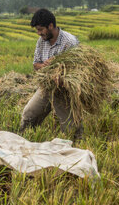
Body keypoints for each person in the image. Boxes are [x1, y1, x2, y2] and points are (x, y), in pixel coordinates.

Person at [19, 8, 81, 138]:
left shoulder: (69, 42)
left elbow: (78, 70)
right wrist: (44, 66)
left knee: (70, 129)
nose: (38, 33)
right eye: (37, 30)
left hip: (64, 89)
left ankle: (76, 145)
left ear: (51, 26)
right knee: (28, 114)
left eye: (41, 29)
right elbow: (36, 64)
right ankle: (24, 139)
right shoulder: (41, 41)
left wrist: (61, 74)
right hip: (47, 86)